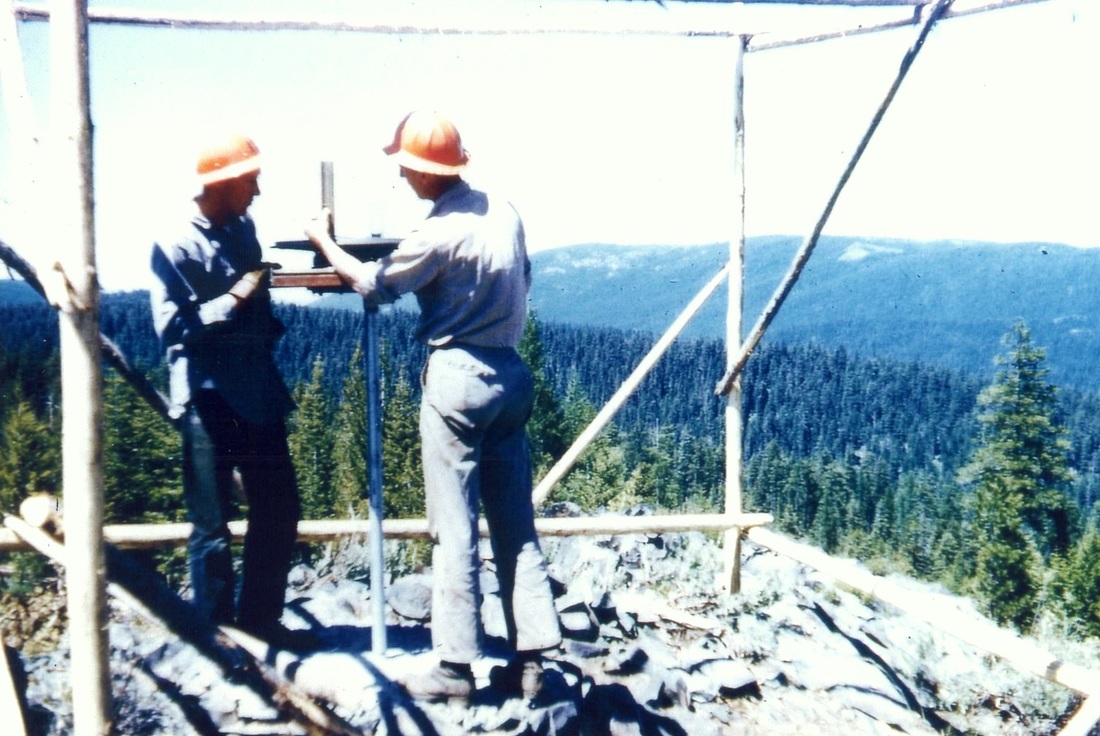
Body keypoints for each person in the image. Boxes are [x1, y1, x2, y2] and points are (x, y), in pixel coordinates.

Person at [304, 111, 561, 702]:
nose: (402, 176)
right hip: (510, 373)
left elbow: (375, 285)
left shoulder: (436, 233)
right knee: (515, 523)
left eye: (405, 168)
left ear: (424, 172)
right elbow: (526, 273)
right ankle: (532, 664)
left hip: (458, 379)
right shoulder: (504, 210)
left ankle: (453, 670)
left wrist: (321, 241)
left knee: (456, 528)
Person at [150, 133, 306, 648]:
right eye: (251, 181)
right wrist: (234, 298)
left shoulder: (243, 228)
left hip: (256, 389)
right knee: (211, 524)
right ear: (223, 184)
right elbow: (173, 330)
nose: (257, 192)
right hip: (207, 395)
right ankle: (215, 637)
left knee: (279, 508)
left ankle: (260, 624)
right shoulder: (174, 245)